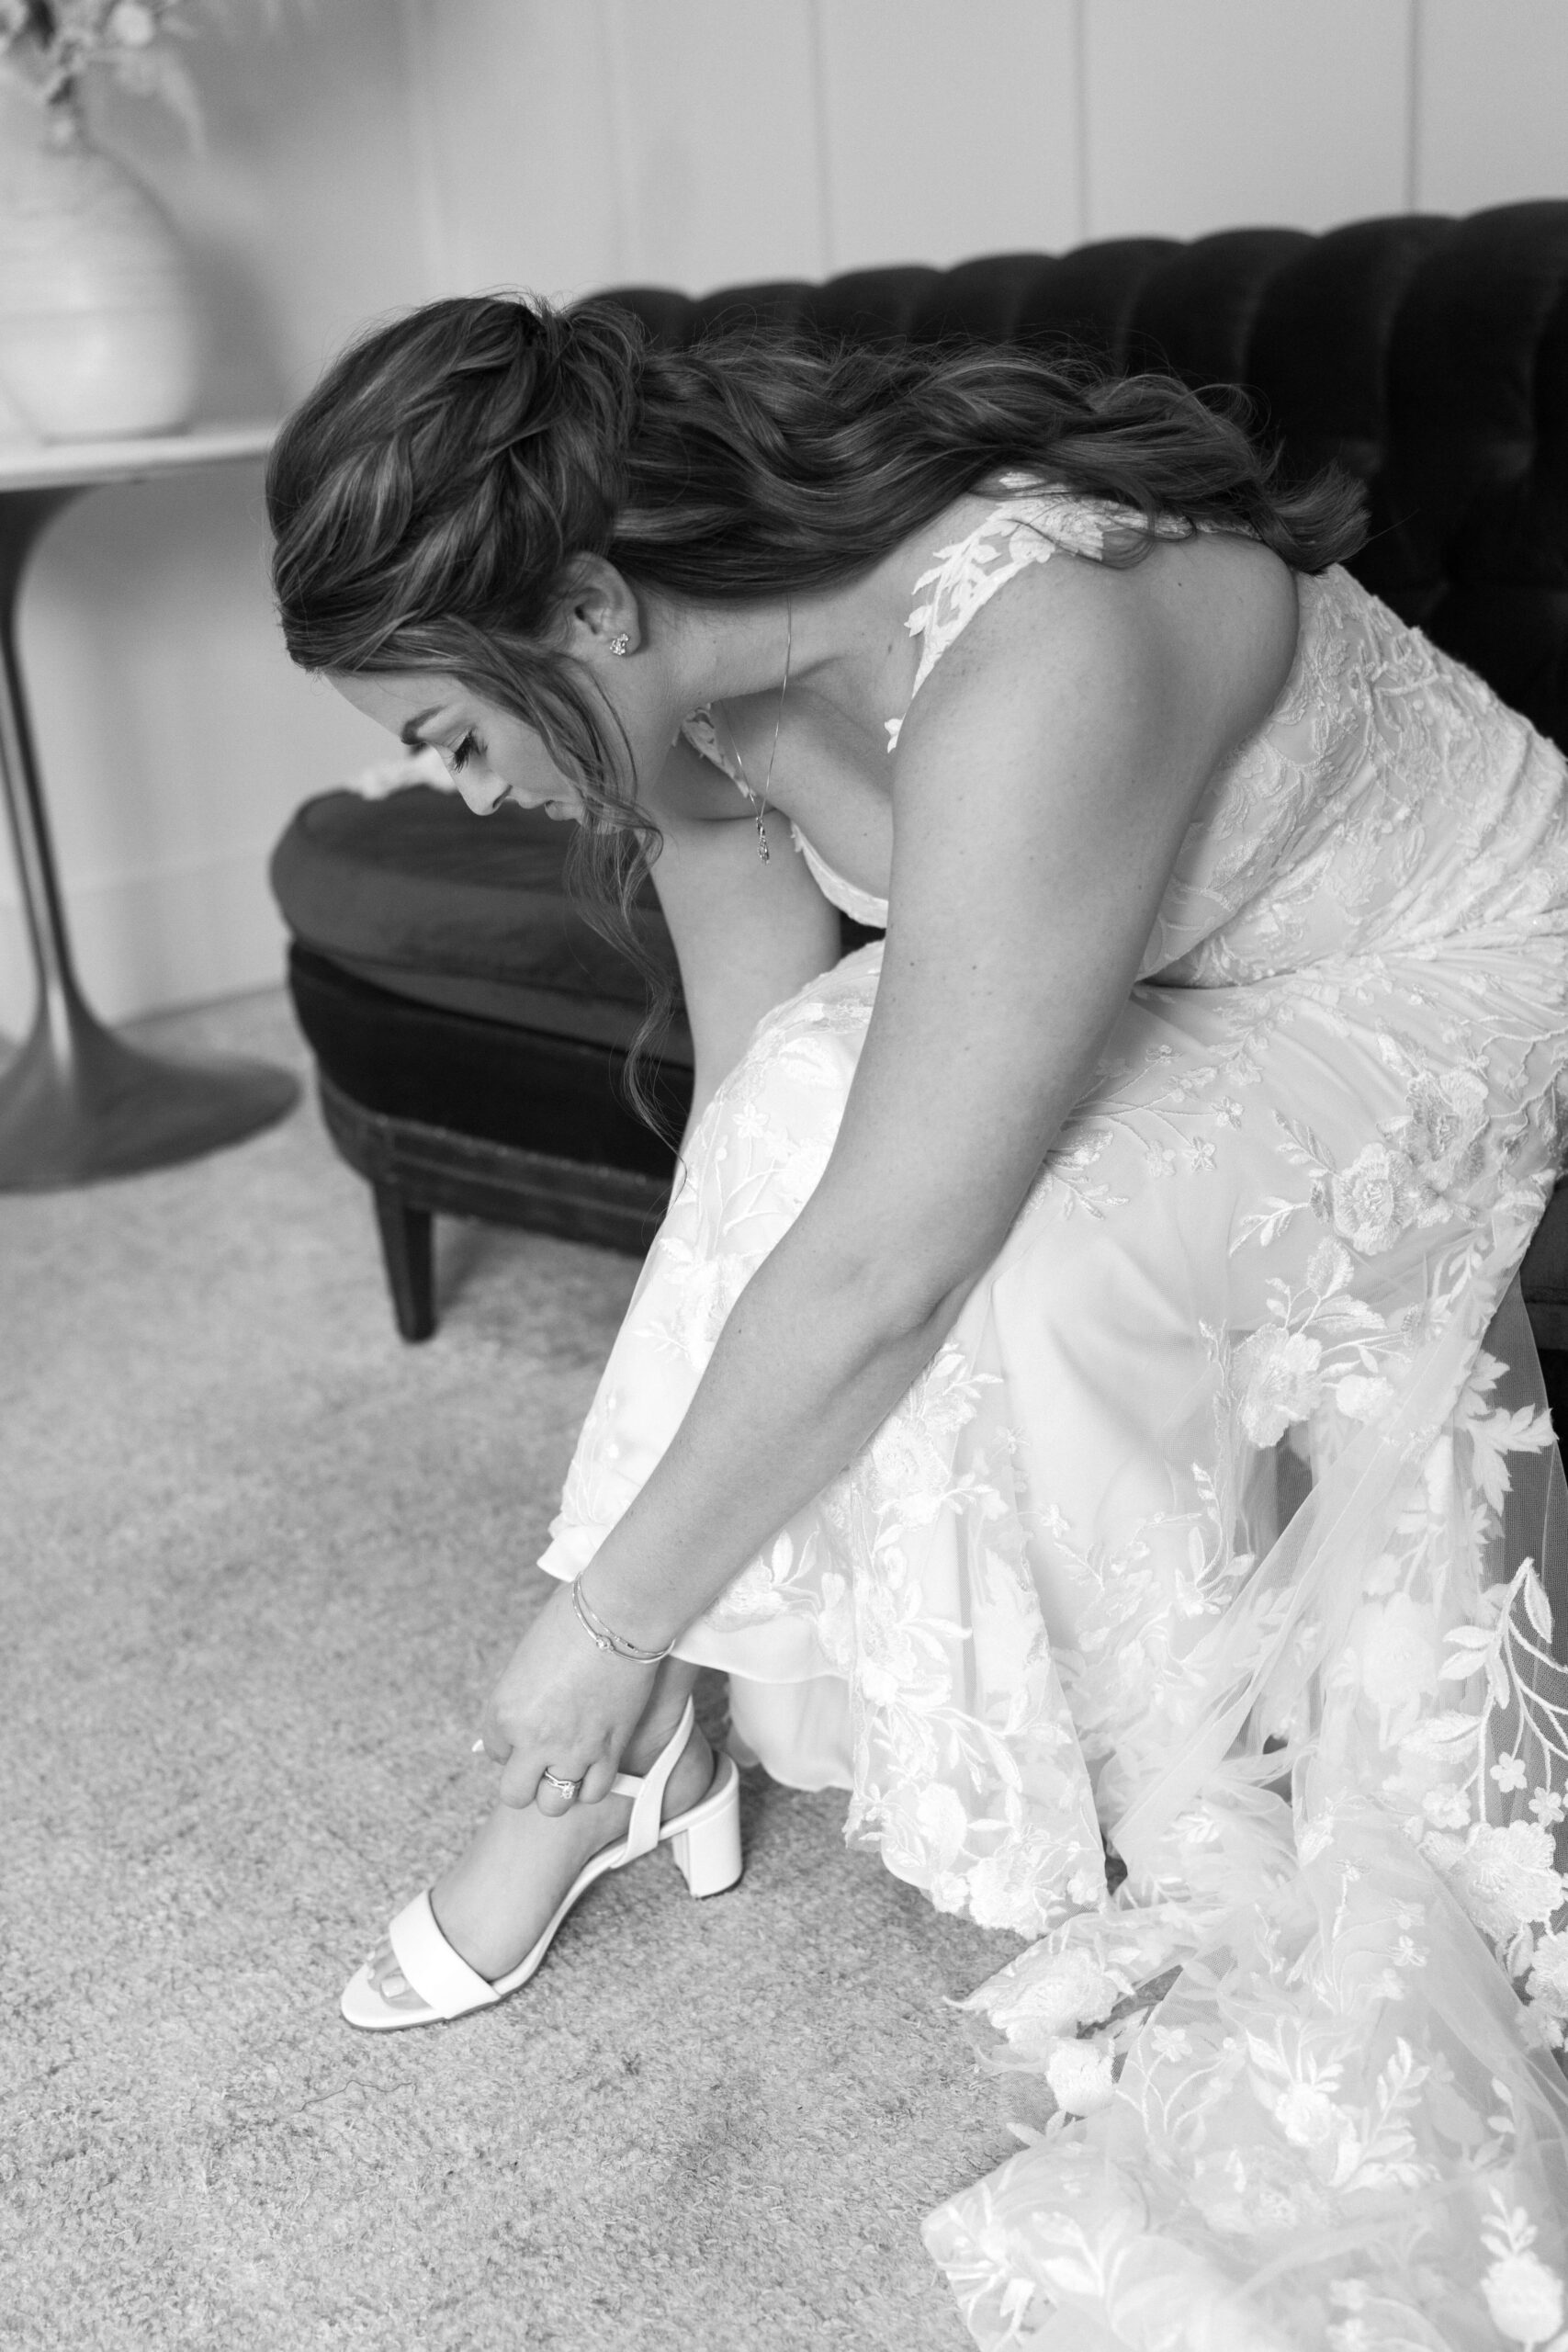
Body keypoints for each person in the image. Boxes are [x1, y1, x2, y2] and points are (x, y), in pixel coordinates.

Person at [267, 295, 1568, 2348]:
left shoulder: (1034, 640)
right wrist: (645, 1602)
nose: (473, 790)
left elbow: (889, 1259)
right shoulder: (687, 698)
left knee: (1033, 1266)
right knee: (801, 1105)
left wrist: (599, 1624)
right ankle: (622, 1765)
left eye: (448, 729)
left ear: (586, 604)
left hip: (1447, 950)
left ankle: (1201, 1868)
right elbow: (757, 1134)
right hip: (1172, 948)